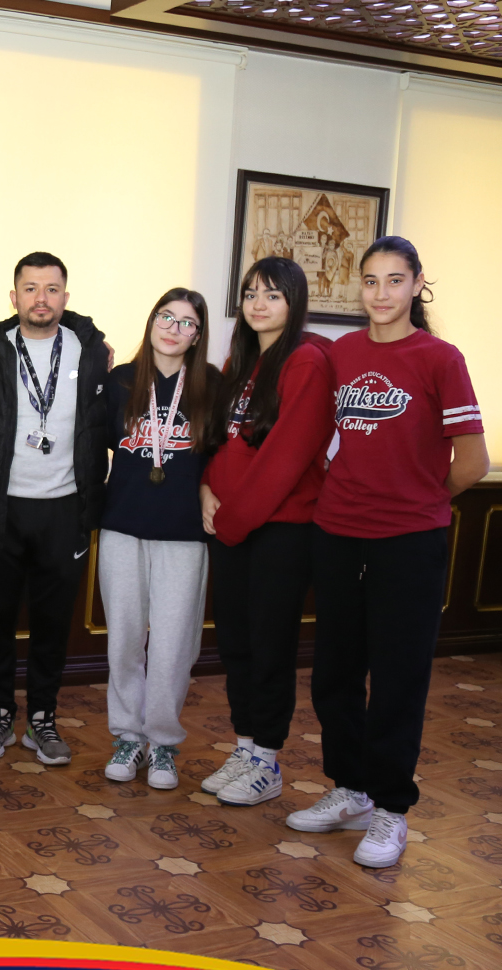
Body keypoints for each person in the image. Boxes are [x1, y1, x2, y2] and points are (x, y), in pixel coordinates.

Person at [287, 236, 488, 868]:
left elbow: (474, 461)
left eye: (394, 281)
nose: (380, 294)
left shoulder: (440, 357)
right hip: (339, 533)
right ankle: (352, 792)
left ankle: (392, 810)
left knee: (399, 677)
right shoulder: (341, 354)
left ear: (416, 285)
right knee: (335, 674)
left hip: (411, 541)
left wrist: (422, 502)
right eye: (370, 282)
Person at [198, 257, 334, 807]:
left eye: (273, 295)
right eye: (251, 293)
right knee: (235, 643)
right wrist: (206, 489)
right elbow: (221, 440)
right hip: (231, 525)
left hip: (279, 530)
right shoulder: (241, 359)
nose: (258, 303)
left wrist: (229, 519)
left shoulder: (305, 363)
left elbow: (284, 460)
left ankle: (267, 760)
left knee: (269, 644)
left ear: (294, 303)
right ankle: (246, 744)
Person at [0, 253, 109, 766]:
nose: (41, 299)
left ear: (65, 298)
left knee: (52, 624)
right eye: (30, 289)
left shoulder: (91, 350)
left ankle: (42, 719)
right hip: (0, 508)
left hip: (64, 509)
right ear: (14, 297)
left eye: (51, 289)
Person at [97, 289, 222, 790]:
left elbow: (219, 455)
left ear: (197, 336)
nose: (173, 328)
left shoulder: (212, 385)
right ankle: (128, 736)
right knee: (125, 639)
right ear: (151, 322)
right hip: (123, 526)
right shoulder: (121, 381)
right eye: (165, 317)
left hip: (184, 535)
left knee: (173, 645)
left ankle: (164, 744)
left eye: (186, 323)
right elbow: (101, 442)